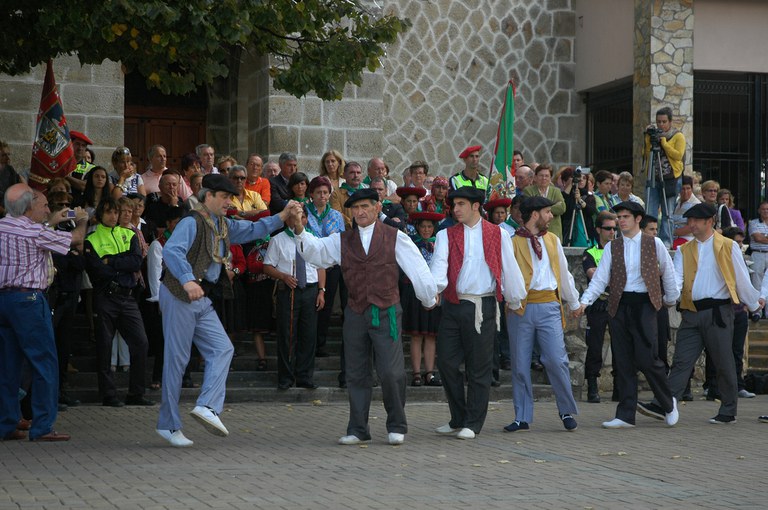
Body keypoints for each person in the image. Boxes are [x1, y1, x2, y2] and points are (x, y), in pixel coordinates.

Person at [156, 174, 298, 447]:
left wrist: (283, 215)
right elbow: (172, 251)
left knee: (222, 348)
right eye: (223, 197)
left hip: (202, 296)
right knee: (177, 360)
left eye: (230, 197)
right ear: (207, 196)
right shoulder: (191, 222)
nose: (229, 202)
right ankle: (168, 424)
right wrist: (187, 280)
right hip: (179, 294)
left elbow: (253, 229)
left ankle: (207, 406)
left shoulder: (223, 223)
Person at [290, 188, 437, 446]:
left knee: (391, 372)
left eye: (365, 206)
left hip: (386, 311)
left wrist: (428, 298)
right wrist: (300, 229)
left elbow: (418, 268)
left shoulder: (395, 236)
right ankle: (358, 429)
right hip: (356, 312)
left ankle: (397, 425)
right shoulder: (342, 240)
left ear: (377, 208)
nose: (360, 212)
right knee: (356, 372)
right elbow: (316, 252)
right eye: (356, 208)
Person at [637, 204, 762, 425]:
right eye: (690, 221)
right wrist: (669, 298)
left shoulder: (729, 246)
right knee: (681, 361)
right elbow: (676, 279)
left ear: (710, 221)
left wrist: (753, 305)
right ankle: (663, 403)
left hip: (718, 311)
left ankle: (728, 410)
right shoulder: (684, 250)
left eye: (696, 220)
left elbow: (740, 278)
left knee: (723, 362)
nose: (691, 225)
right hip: (692, 312)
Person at [431, 187, 526, 440]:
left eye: (461, 204)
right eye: (454, 204)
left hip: (483, 306)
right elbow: (439, 267)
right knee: (446, 363)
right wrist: (432, 291)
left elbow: (509, 266)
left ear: (476, 206)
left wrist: (515, 298)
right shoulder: (445, 234)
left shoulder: (498, 233)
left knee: (479, 368)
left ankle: (473, 423)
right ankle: (458, 417)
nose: (456, 209)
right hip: (453, 305)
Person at [576, 201, 680, 429]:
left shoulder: (654, 243)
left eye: (625, 217)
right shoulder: (612, 247)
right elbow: (601, 278)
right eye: (619, 217)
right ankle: (625, 414)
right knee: (623, 360)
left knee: (647, 358)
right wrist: (584, 301)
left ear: (638, 219)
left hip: (645, 305)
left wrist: (671, 299)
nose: (621, 221)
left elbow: (668, 272)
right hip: (619, 305)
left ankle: (668, 403)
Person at [0, 184, 89, 441]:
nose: (48, 210)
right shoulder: (35, 232)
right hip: (28, 300)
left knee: (8, 365)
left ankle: (6, 423)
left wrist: (51, 222)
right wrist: (82, 220)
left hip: (4, 300)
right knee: (44, 362)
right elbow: (76, 240)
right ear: (29, 207)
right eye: (44, 206)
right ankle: (42, 426)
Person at [504, 196, 581, 433]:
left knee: (557, 360)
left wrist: (573, 301)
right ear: (535, 214)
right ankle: (522, 416)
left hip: (549, 305)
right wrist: (512, 300)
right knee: (520, 363)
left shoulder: (553, 240)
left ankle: (566, 410)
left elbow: (564, 273)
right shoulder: (512, 242)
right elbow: (506, 275)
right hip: (521, 307)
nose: (551, 216)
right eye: (547, 212)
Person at [84, 197, 154, 407]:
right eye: (109, 212)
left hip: (127, 296)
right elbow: (97, 270)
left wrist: (111, 261)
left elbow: (136, 262)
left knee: (141, 342)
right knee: (105, 346)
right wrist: (120, 265)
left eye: (116, 212)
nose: (114, 216)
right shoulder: (92, 238)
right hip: (106, 296)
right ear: (100, 214)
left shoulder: (129, 234)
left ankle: (136, 393)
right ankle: (108, 395)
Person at [264, 206, 326, 390]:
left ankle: (305, 376)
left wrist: (322, 291)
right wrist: (283, 276)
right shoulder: (277, 240)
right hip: (289, 290)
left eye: (303, 217)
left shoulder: (313, 239)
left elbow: (321, 267)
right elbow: (267, 266)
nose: (299, 220)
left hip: (310, 290)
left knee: (309, 335)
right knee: (287, 334)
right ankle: (286, 377)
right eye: (294, 217)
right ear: (287, 220)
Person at [402, 211, 444, 387]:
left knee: (431, 335)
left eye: (429, 227)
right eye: (423, 226)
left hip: (434, 292)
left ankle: (429, 373)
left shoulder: (439, 246)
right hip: (414, 293)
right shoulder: (411, 245)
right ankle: (416, 373)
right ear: (417, 227)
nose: (426, 230)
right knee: (416, 335)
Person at [306, 176, 345, 359]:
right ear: (311, 194)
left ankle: (320, 344)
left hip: (331, 266)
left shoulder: (336, 216)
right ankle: (308, 344)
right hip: (309, 265)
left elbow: (341, 240)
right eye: (318, 192)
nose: (322, 196)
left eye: (325, 192)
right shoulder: (304, 212)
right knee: (309, 305)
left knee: (326, 306)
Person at [581, 211, 617, 403]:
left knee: (621, 346)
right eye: (608, 228)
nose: (612, 232)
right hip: (598, 305)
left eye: (614, 228)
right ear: (598, 230)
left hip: (618, 304)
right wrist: (614, 277)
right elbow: (593, 275)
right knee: (594, 347)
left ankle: (619, 387)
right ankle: (592, 387)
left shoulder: (620, 251)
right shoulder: (590, 252)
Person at [644, 106, 687, 246]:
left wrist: (664, 143)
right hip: (654, 178)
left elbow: (678, 155)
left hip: (670, 179)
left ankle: (666, 241)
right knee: (650, 211)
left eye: (664, 122)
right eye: (658, 122)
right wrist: (648, 139)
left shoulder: (678, 136)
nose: (661, 125)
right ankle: (648, 239)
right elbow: (646, 154)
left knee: (667, 212)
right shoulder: (654, 135)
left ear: (670, 122)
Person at [523, 164, 566, 241]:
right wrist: (553, 205)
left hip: (554, 233)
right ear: (535, 177)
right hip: (534, 232)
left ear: (550, 178)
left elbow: (562, 208)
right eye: (541, 175)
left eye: (547, 176)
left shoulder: (556, 191)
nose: (544, 178)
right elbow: (530, 208)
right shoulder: (528, 191)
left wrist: (541, 208)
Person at [330, 161, 365, 230]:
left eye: (358, 173)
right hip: (346, 232)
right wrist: (354, 226)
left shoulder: (367, 193)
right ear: (344, 175)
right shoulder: (335, 194)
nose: (356, 175)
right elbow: (338, 215)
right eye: (352, 172)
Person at [670, 175, 700, 249]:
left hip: (688, 239)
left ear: (692, 189)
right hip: (673, 237)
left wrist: (671, 232)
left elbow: (691, 227)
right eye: (682, 189)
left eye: (688, 188)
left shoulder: (695, 205)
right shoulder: (677, 202)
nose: (685, 192)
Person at [65, 131, 95, 199]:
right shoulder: (62, 164)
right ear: (70, 145)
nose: (80, 148)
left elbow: (85, 186)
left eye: (83, 145)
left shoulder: (91, 168)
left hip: (80, 204)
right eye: (77, 144)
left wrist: (64, 176)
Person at [749, 201, 768, 292]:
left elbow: (761, 238)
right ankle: (757, 301)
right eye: (763, 209)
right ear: (759, 211)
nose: (766, 211)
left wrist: (763, 237)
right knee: (756, 281)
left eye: (767, 209)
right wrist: (762, 237)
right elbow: (758, 238)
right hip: (758, 254)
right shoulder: (753, 223)